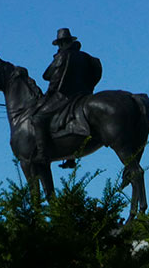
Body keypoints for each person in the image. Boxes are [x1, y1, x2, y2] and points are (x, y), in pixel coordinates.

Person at [32, 28, 102, 166]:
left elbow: (47, 75)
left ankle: (42, 154)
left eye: (60, 43)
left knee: (38, 118)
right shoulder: (85, 56)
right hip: (84, 93)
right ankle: (70, 157)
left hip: (65, 95)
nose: (59, 46)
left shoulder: (62, 56)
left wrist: (50, 92)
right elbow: (96, 71)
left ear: (63, 43)